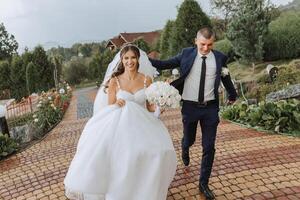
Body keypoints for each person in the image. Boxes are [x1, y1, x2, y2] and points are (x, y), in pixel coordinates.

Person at [64, 44, 177, 200]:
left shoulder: (146, 80)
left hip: (142, 125)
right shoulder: (114, 81)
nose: (129, 61)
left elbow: (150, 107)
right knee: (125, 158)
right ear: (122, 60)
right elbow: (110, 106)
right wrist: (117, 104)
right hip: (121, 126)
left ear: (138, 59)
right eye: (126, 58)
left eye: (132, 58)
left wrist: (159, 106)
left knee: (157, 152)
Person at [149, 27, 237, 200]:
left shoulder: (219, 58)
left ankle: (203, 183)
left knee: (209, 147)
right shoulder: (186, 54)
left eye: (210, 45)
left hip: (210, 108)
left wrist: (233, 94)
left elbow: (225, 77)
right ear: (196, 41)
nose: (206, 48)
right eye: (203, 44)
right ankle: (185, 146)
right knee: (189, 139)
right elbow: (164, 64)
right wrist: (143, 57)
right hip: (190, 107)